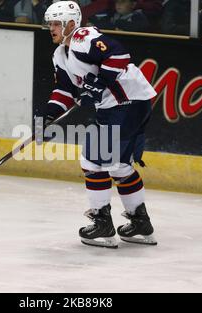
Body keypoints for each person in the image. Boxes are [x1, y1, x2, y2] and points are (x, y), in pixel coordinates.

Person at [43, 1, 157, 248]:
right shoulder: (60, 55)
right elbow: (65, 91)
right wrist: (47, 117)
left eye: (56, 23)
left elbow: (118, 55)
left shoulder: (83, 37)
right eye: (49, 23)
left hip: (126, 103)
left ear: (71, 24)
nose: (51, 28)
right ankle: (140, 223)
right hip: (129, 104)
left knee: (92, 161)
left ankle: (102, 224)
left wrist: (97, 83)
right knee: (118, 165)